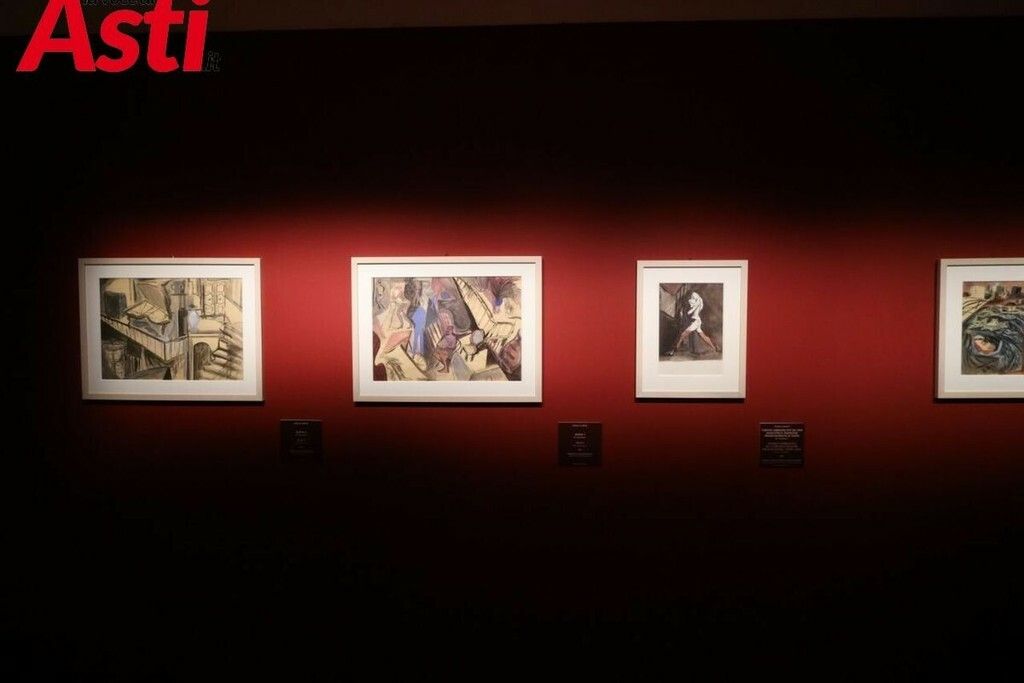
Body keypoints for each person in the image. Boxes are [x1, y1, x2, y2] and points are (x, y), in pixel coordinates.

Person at [670, 291, 719, 356]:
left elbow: (689, 312)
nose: (690, 299)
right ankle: (714, 348)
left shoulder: (697, 304)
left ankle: (673, 351)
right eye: (691, 297)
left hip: (695, 322)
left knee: (683, 335)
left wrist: (684, 312)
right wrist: (682, 312)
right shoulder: (696, 303)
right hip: (696, 321)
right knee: (703, 336)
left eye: (693, 298)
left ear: (696, 299)